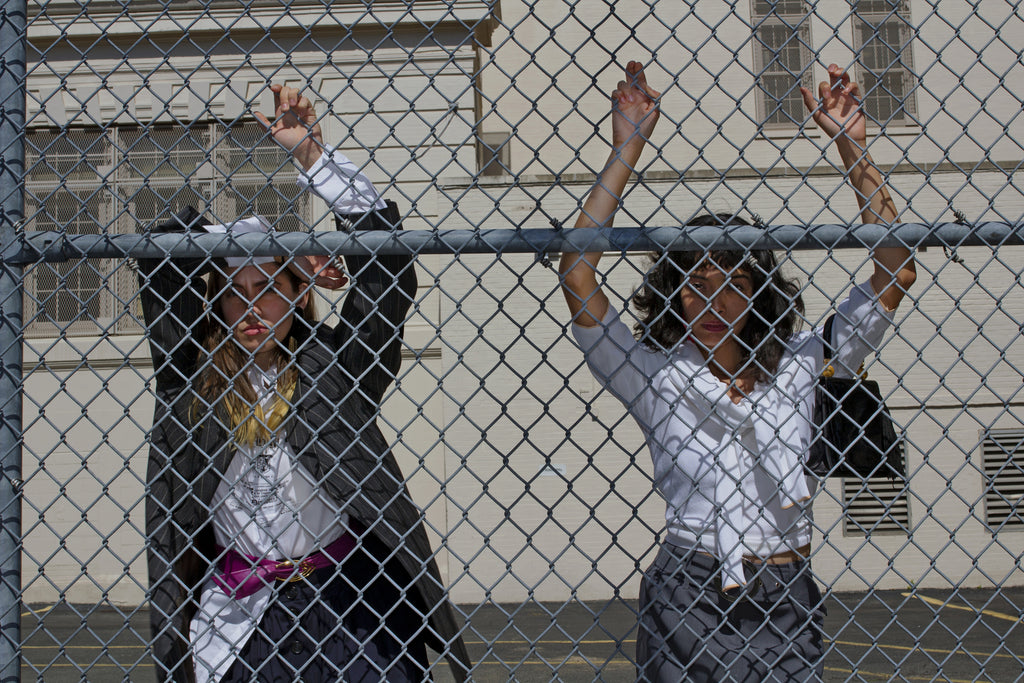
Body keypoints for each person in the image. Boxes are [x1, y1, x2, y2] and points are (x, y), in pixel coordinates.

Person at [558, 62, 916, 681]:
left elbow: (896, 268)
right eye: (695, 284)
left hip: (785, 591)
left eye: (734, 282)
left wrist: (851, 143)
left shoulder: (806, 359)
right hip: (687, 591)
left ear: (759, 293)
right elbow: (577, 275)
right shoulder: (655, 376)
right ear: (673, 294)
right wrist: (626, 149)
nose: (713, 301)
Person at [138, 85, 469, 682]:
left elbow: (387, 282)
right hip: (240, 614)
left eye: (268, 287)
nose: (251, 310)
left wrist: (314, 161)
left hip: (350, 606)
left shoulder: (335, 369)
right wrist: (229, 238)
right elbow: (161, 261)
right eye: (234, 294)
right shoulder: (189, 381)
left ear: (300, 293)